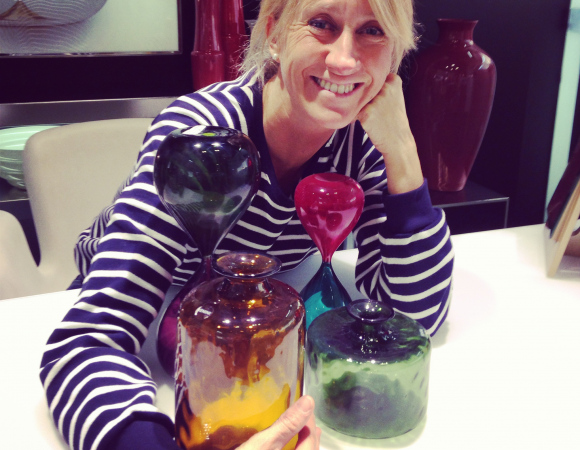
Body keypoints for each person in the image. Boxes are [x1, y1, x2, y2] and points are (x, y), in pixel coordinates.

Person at [40, 0, 454, 449]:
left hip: (245, 304)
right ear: (274, 33)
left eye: (373, 31)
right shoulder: (200, 135)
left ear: (395, 55)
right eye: (321, 24)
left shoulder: (363, 142)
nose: (344, 60)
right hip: (154, 299)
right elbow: (85, 344)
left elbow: (417, 316)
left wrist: (402, 149)